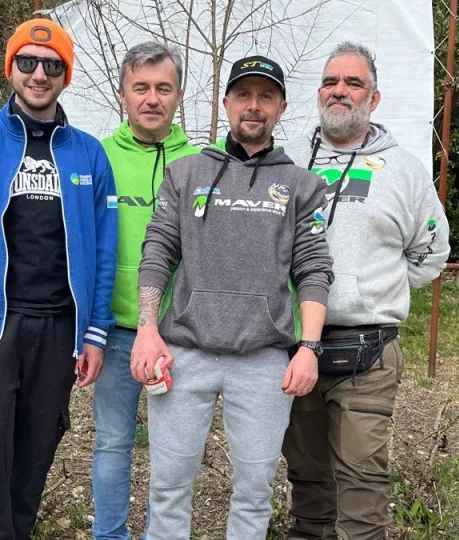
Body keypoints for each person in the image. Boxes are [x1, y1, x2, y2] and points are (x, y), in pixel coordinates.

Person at [0, 18, 118, 539]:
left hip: (57, 330)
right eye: (27, 62)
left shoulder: (88, 155)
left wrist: (94, 333)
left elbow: (103, 253)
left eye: (52, 65)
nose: (38, 74)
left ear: (66, 76)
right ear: (10, 68)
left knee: (35, 457)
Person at [131, 55, 335, 540]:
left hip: (263, 362)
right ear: (226, 103)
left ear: (282, 107)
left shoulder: (303, 186)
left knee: (254, 490)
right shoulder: (185, 174)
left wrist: (308, 349)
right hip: (184, 355)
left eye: (266, 96)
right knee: (168, 487)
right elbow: (158, 251)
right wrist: (146, 327)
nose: (253, 106)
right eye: (243, 94)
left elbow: (314, 270)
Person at [282, 42, 451, 540]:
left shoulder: (404, 172)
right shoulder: (289, 160)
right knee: (307, 477)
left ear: (374, 99)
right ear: (319, 94)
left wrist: (372, 289)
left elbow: (431, 252)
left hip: (368, 349)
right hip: (294, 348)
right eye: (332, 82)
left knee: (362, 479)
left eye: (354, 83)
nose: (340, 91)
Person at [92, 42, 199, 540]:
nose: (152, 99)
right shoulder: (99, 157)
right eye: (141, 88)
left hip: (178, 336)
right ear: (123, 95)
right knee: (113, 443)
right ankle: (109, 535)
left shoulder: (203, 162)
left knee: (171, 452)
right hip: (114, 332)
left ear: (179, 96)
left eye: (163, 88)